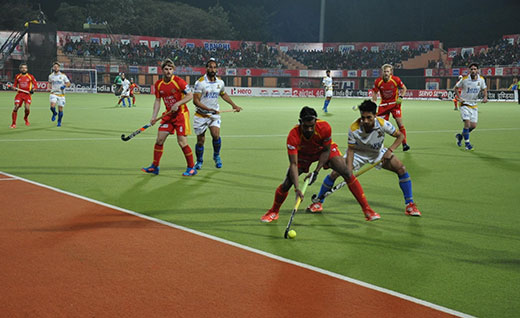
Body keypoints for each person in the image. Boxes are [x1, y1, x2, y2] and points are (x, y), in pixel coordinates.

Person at [261, 106, 380, 223]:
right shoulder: (293, 135)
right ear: (300, 122)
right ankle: (273, 211)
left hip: (321, 150)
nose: (309, 130)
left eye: (311, 126)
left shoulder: (324, 127)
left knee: (346, 172)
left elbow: (326, 151)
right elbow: (293, 164)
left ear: (316, 121)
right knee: (287, 183)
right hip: (304, 155)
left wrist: (316, 172)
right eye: (306, 126)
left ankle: (367, 210)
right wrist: (297, 189)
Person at [308, 100, 421, 217]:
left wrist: (390, 150)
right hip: (358, 154)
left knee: (401, 168)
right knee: (335, 173)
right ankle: (318, 202)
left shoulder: (383, 124)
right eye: (363, 117)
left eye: (369, 117)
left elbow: (400, 136)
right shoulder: (354, 128)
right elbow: (351, 150)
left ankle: (410, 205)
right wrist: (349, 170)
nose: (365, 121)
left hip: (377, 153)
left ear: (375, 115)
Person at [141, 58, 197, 177]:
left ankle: (191, 167)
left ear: (173, 70)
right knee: (159, 140)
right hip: (168, 115)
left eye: (170, 69)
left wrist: (178, 103)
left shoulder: (179, 81)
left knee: (182, 142)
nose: (168, 71)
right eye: (166, 69)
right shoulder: (159, 84)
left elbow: (190, 95)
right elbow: (157, 101)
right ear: (162, 70)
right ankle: (155, 167)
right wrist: (154, 117)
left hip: (181, 115)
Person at [193, 59, 242, 170]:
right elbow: (196, 101)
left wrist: (234, 105)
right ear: (206, 68)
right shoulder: (200, 83)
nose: (213, 69)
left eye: (215, 67)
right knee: (200, 141)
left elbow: (223, 94)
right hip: (201, 115)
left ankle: (216, 156)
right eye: (210, 67)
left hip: (214, 114)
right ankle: (199, 161)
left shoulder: (220, 82)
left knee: (216, 135)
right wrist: (208, 109)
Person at [372, 64, 410, 151]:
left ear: (391, 72)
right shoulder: (378, 81)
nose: (386, 73)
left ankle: (404, 144)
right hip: (384, 106)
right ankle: (378, 145)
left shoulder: (395, 80)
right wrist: (374, 102)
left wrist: (401, 97)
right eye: (385, 71)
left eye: (388, 71)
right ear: (382, 72)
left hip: (395, 105)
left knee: (400, 124)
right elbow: (374, 92)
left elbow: (404, 88)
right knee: (379, 126)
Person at [454, 63, 488, 151]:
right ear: (469, 70)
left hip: (474, 105)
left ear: (477, 70)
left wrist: (485, 97)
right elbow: (456, 88)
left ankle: (460, 136)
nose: (473, 71)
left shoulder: (481, 79)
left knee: (473, 126)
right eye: (471, 69)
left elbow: (484, 89)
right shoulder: (464, 79)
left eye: (475, 69)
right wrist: (459, 98)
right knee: (467, 124)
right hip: (464, 104)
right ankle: (467, 144)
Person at [10, 62, 36, 128]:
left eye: (25, 68)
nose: (24, 69)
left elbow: (35, 85)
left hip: (27, 95)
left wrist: (33, 90)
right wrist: (13, 87)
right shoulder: (17, 76)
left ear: (27, 69)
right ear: (20, 69)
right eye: (22, 68)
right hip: (19, 94)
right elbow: (15, 85)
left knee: (27, 108)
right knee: (16, 107)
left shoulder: (30, 76)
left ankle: (26, 118)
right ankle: (13, 123)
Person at [48, 62, 71, 127]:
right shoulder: (50, 76)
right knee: (52, 106)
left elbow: (68, 83)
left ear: (59, 68)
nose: (56, 68)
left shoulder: (63, 76)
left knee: (60, 109)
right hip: (53, 93)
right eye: (54, 67)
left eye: (57, 67)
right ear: (53, 68)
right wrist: (49, 87)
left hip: (61, 95)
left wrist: (64, 86)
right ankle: (54, 113)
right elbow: (49, 83)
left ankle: (59, 121)